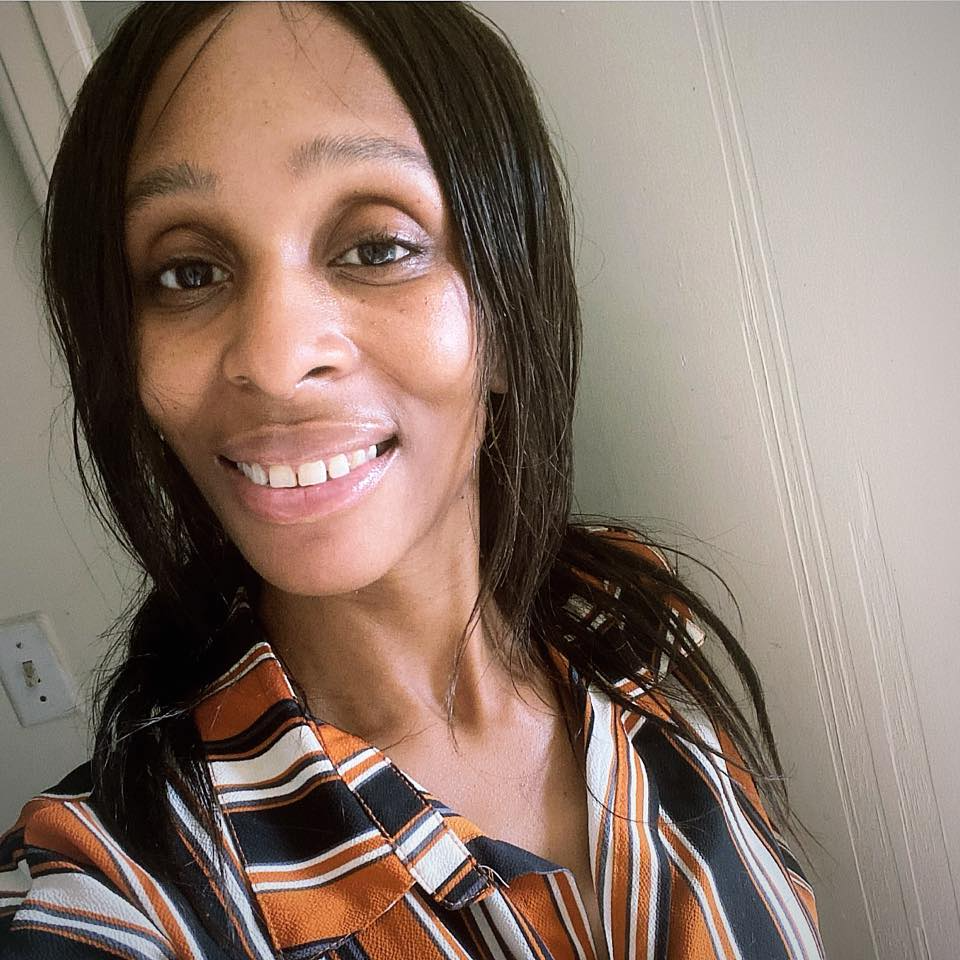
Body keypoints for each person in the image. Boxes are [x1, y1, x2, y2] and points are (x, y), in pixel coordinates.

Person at [0, 3, 825, 958]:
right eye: (188, 272)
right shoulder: (114, 885)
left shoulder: (632, 625)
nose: (275, 359)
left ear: (508, 317)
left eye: (376, 248)